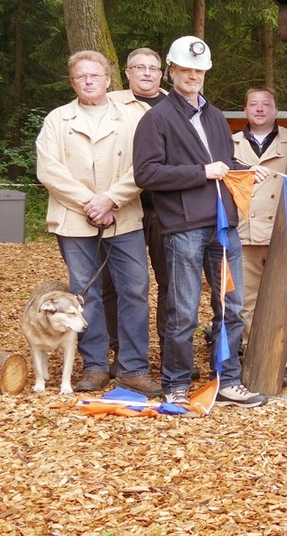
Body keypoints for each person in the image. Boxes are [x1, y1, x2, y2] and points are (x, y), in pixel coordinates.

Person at [133, 35, 269, 409]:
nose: (194, 76)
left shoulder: (214, 116)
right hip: (182, 228)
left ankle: (227, 380)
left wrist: (244, 170)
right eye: (187, 69)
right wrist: (201, 172)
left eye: (200, 70)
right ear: (172, 71)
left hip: (223, 227)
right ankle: (175, 384)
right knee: (182, 310)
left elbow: (222, 163)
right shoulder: (156, 119)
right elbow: (146, 174)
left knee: (232, 307)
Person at [35, 50, 161, 396]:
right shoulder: (57, 120)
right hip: (75, 219)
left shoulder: (134, 117)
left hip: (124, 216)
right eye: (81, 76)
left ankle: (133, 367)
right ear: (73, 81)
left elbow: (146, 164)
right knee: (85, 292)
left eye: (94, 75)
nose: (88, 81)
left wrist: (111, 199)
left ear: (108, 79)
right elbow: (49, 170)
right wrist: (89, 203)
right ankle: (94, 366)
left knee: (134, 290)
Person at [103, 47, 170, 373]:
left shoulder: (177, 106)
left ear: (162, 74)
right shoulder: (110, 103)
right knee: (117, 284)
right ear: (127, 73)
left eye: (153, 68)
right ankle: (121, 353)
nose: (146, 73)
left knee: (171, 284)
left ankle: (172, 351)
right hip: (121, 208)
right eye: (139, 68)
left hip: (164, 209)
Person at [232, 86, 287, 388]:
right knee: (247, 301)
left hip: (282, 233)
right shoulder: (230, 143)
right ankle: (254, 354)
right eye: (253, 104)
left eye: (266, 104)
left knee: (286, 298)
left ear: (275, 109)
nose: (259, 109)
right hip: (243, 232)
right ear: (245, 110)